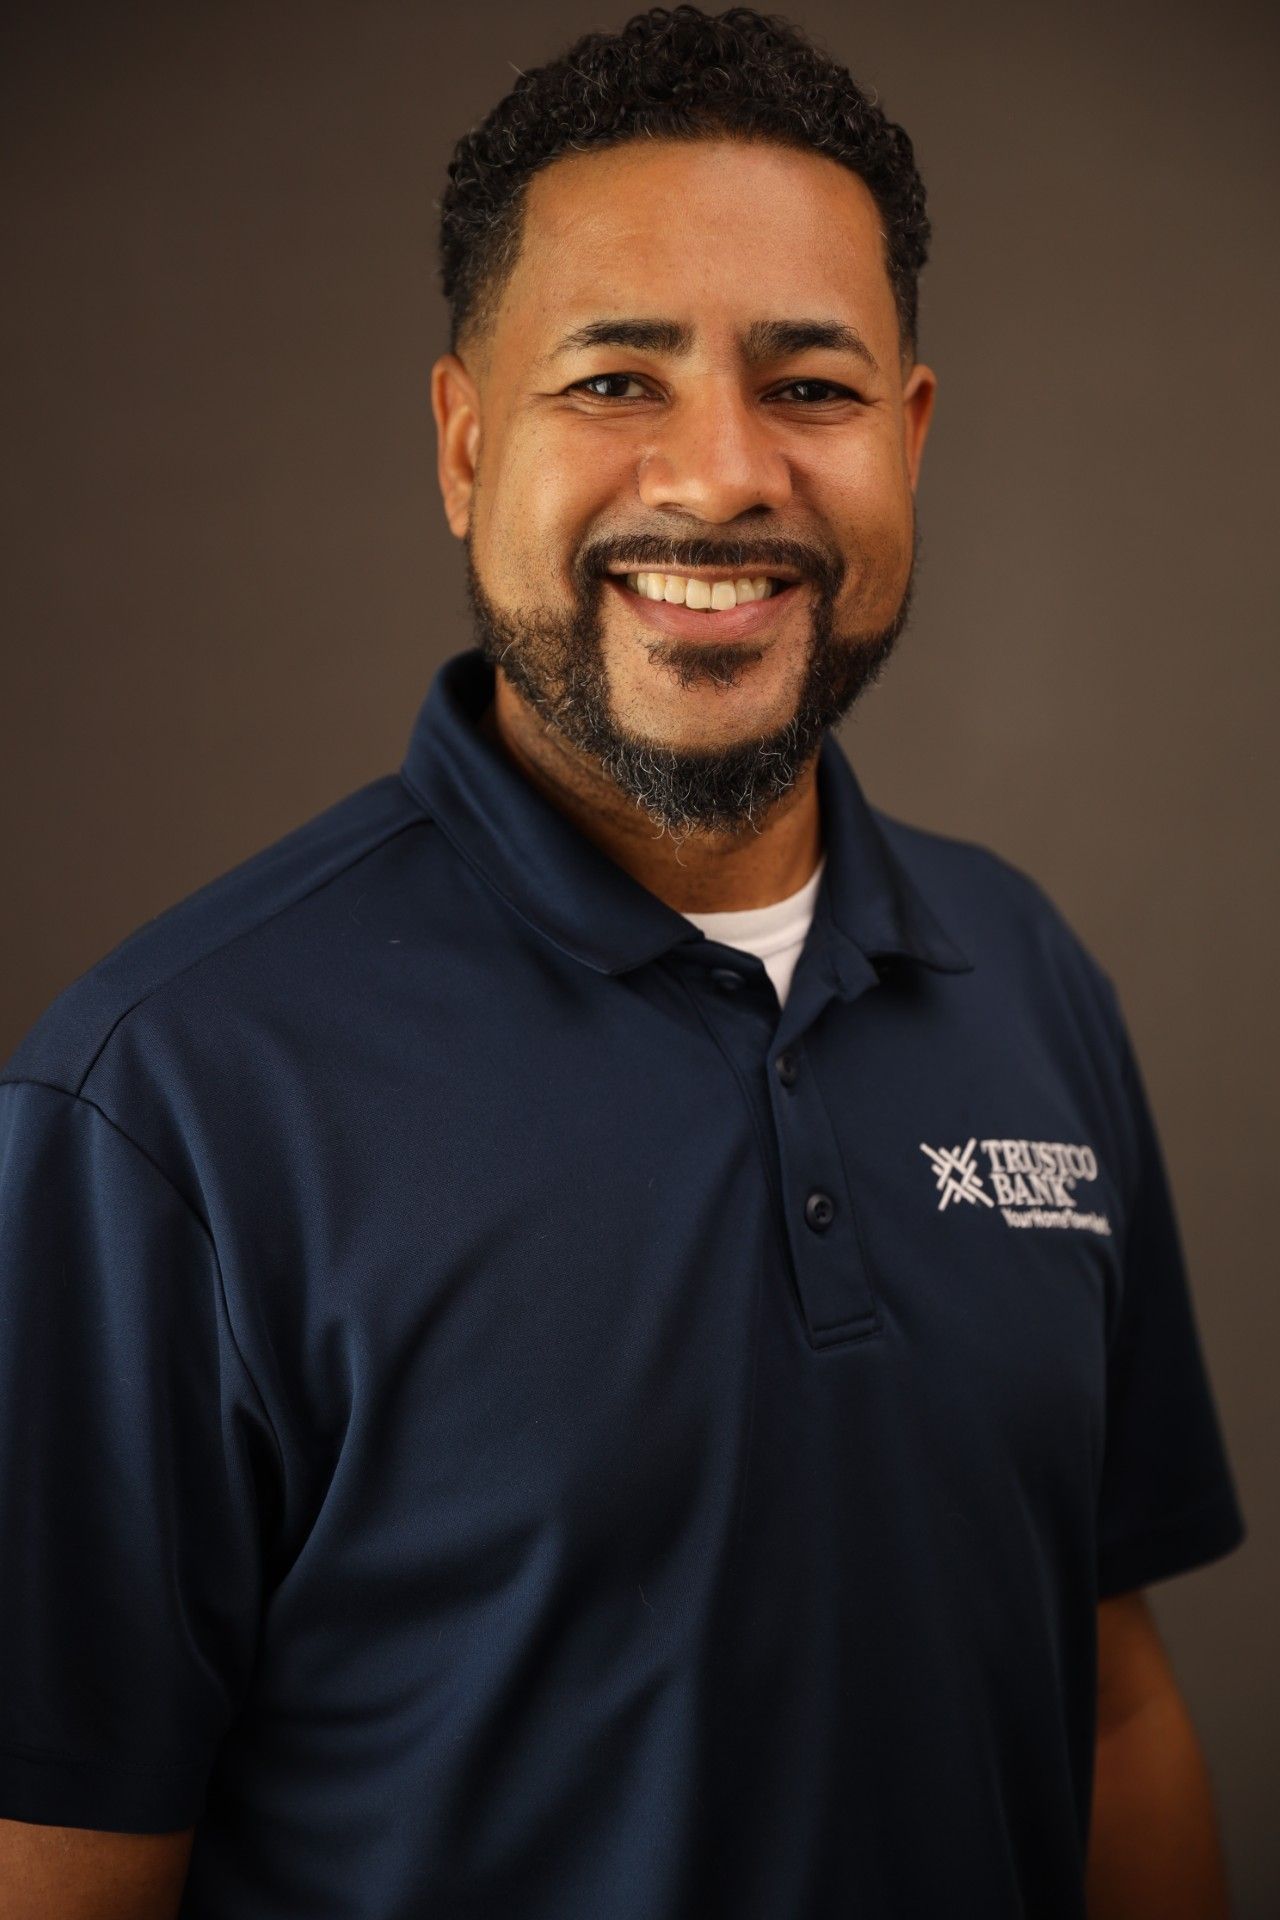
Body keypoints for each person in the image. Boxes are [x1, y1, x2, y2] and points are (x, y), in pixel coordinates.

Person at [0, 7, 1248, 1917]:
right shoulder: (161, 1103)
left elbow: (1110, 1715)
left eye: (810, 386)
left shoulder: (1027, 977)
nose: (723, 475)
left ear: (910, 438)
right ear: (464, 441)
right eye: (614, 381)